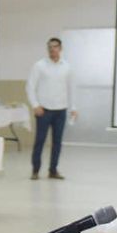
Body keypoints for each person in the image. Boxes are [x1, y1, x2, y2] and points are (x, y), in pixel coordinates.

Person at [26, 37, 76, 180]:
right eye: (50, 47)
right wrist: (35, 105)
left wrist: (73, 107)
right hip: (43, 110)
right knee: (40, 141)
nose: (52, 49)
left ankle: (53, 170)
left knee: (57, 142)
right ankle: (35, 170)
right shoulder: (39, 66)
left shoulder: (67, 67)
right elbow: (30, 86)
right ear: (48, 49)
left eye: (55, 47)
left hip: (61, 110)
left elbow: (71, 88)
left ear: (60, 49)